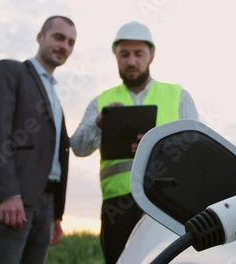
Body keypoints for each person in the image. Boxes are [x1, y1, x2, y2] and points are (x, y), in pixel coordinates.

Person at [70, 21, 199, 264]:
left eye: (138, 54)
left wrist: (159, 149)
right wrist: (99, 123)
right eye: (124, 54)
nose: (131, 61)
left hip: (167, 203)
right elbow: (77, 146)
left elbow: (197, 149)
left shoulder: (178, 96)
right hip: (117, 208)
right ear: (115, 57)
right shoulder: (101, 102)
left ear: (152, 56)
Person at [0, 15, 77, 264]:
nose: (64, 46)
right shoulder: (11, 71)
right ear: (40, 37)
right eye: (58, 37)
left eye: (71, 42)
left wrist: (56, 215)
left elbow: (54, 154)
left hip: (46, 203)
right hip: (13, 199)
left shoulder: (54, 94)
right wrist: (8, 194)